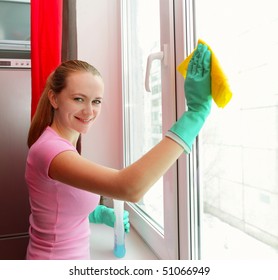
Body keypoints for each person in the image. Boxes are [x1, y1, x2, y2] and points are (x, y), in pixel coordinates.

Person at [25, 43, 211, 260]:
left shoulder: (60, 146)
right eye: (78, 99)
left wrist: (96, 213)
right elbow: (129, 188)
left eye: (96, 101)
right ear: (54, 98)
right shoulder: (50, 150)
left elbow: (57, 204)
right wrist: (194, 116)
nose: (89, 111)